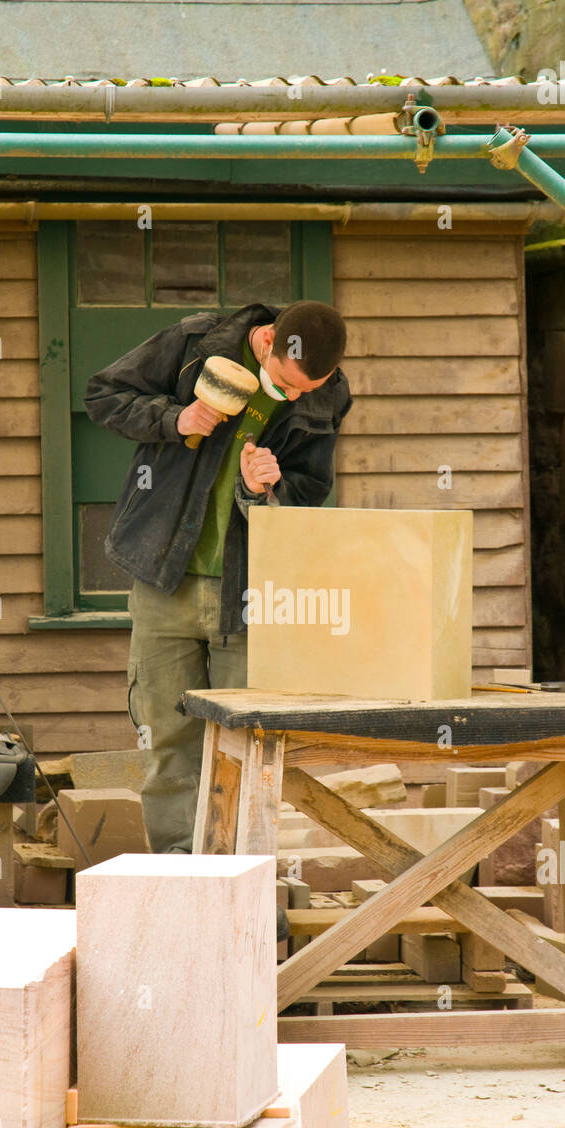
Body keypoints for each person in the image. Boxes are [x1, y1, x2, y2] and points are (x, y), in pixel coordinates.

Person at [85, 298, 352, 859]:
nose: (296, 396)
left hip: (250, 593)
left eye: (309, 388)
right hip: (166, 576)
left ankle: (246, 890)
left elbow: (310, 492)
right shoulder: (193, 346)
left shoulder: (326, 395)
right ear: (265, 342)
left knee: (249, 748)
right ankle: (182, 884)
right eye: (285, 382)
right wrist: (175, 418)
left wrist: (267, 489)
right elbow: (102, 395)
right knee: (169, 744)